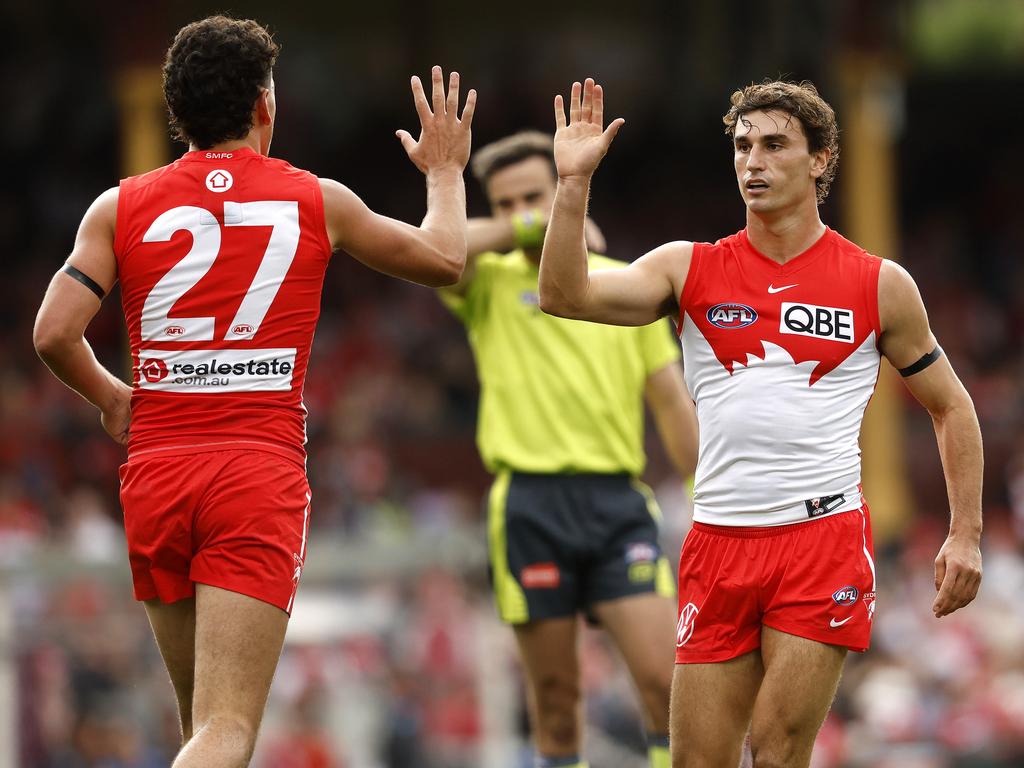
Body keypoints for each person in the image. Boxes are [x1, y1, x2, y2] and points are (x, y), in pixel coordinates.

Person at [32, 15, 475, 768]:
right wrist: (443, 172)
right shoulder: (317, 199)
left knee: (201, 727)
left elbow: (52, 333)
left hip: (159, 472)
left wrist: (112, 397)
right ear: (265, 105)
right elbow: (444, 259)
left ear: (179, 114)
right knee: (228, 732)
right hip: (253, 475)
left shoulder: (118, 207)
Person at [538, 78, 983, 767]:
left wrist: (966, 533)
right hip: (718, 541)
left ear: (821, 159)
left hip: (821, 540)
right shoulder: (688, 267)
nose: (754, 162)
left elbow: (951, 406)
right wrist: (572, 184)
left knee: (776, 752)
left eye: (776, 145)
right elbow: (565, 295)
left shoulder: (878, 283)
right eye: (743, 146)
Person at [440, 129, 699, 768]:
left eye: (534, 196)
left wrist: (710, 497)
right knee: (555, 704)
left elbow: (670, 401)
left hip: (616, 505)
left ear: (565, 189)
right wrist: (543, 225)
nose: (516, 213)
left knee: (668, 687)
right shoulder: (488, 283)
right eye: (503, 204)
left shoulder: (622, 284)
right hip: (529, 504)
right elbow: (440, 245)